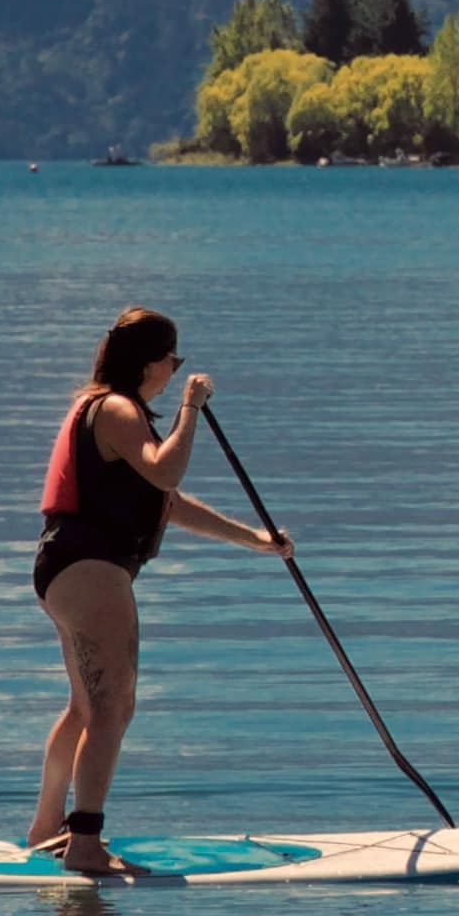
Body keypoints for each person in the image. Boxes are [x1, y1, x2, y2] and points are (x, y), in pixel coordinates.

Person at [29, 306, 284, 871]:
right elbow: (167, 472)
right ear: (153, 362)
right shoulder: (117, 409)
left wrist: (255, 540)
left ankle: (47, 828)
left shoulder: (111, 411)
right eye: (174, 360)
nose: (176, 370)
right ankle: (85, 843)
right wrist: (190, 409)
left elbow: (165, 503)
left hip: (67, 570)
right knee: (112, 709)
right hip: (91, 571)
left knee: (84, 708)